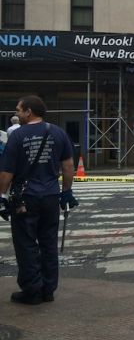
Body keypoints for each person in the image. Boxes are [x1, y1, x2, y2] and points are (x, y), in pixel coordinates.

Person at [0, 95, 79, 305]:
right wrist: (66, 192)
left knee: (26, 244)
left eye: (19, 110)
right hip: (51, 196)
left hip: (26, 198)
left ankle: (32, 290)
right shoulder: (58, 133)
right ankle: (48, 289)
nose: (16, 114)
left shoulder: (17, 136)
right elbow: (68, 165)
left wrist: (2, 196)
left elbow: (6, 172)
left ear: (29, 112)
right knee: (48, 243)